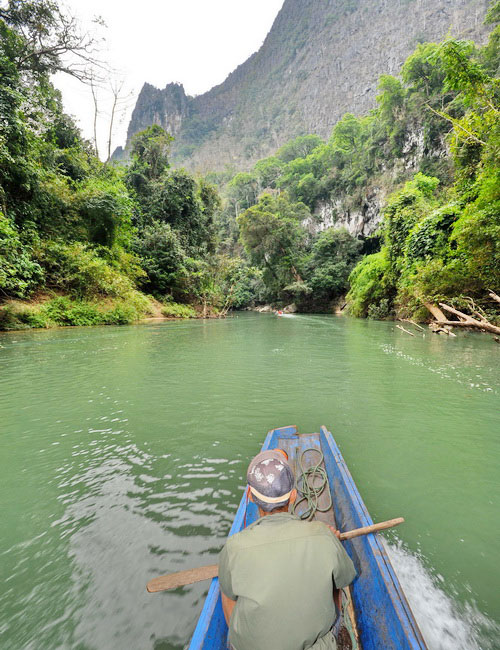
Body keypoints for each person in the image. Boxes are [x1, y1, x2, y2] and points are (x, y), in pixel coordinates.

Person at [218, 449, 356, 650]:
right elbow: (346, 577)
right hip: (318, 645)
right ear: (293, 496)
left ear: (250, 496)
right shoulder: (322, 534)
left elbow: (230, 598)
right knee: (334, 581)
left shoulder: (233, 547)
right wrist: (331, 543)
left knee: (226, 590)